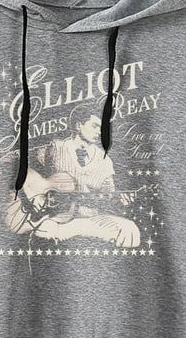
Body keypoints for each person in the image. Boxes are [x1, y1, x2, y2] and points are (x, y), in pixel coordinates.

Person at [28, 103, 141, 248]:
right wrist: (31, 192)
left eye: (101, 127)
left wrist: (119, 202)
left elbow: (109, 197)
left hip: (91, 219)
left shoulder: (105, 160)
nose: (99, 131)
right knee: (43, 232)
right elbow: (14, 161)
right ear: (78, 125)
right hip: (56, 218)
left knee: (130, 229)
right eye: (94, 126)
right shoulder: (55, 149)